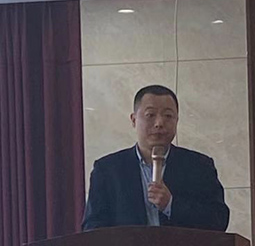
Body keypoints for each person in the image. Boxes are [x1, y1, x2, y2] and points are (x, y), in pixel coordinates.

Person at [82, 84, 230, 231]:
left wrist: (170, 205)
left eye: (168, 116)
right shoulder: (107, 169)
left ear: (177, 121)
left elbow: (219, 220)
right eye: (150, 115)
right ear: (134, 120)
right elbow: (92, 227)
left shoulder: (199, 166)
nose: (159, 123)